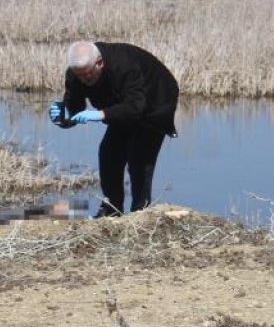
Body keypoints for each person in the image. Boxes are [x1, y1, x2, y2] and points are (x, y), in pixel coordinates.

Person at [49, 41, 179, 216]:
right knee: (109, 153)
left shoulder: (125, 65)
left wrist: (101, 114)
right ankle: (113, 209)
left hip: (155, 101)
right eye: (79, 76)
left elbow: (135, 107)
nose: (84, 80)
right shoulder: (76, 73)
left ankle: (140, 212)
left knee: (139, 158)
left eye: (88, 74)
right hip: (120, 104)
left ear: (99, 63)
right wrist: (63, 116)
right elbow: (74, 107)